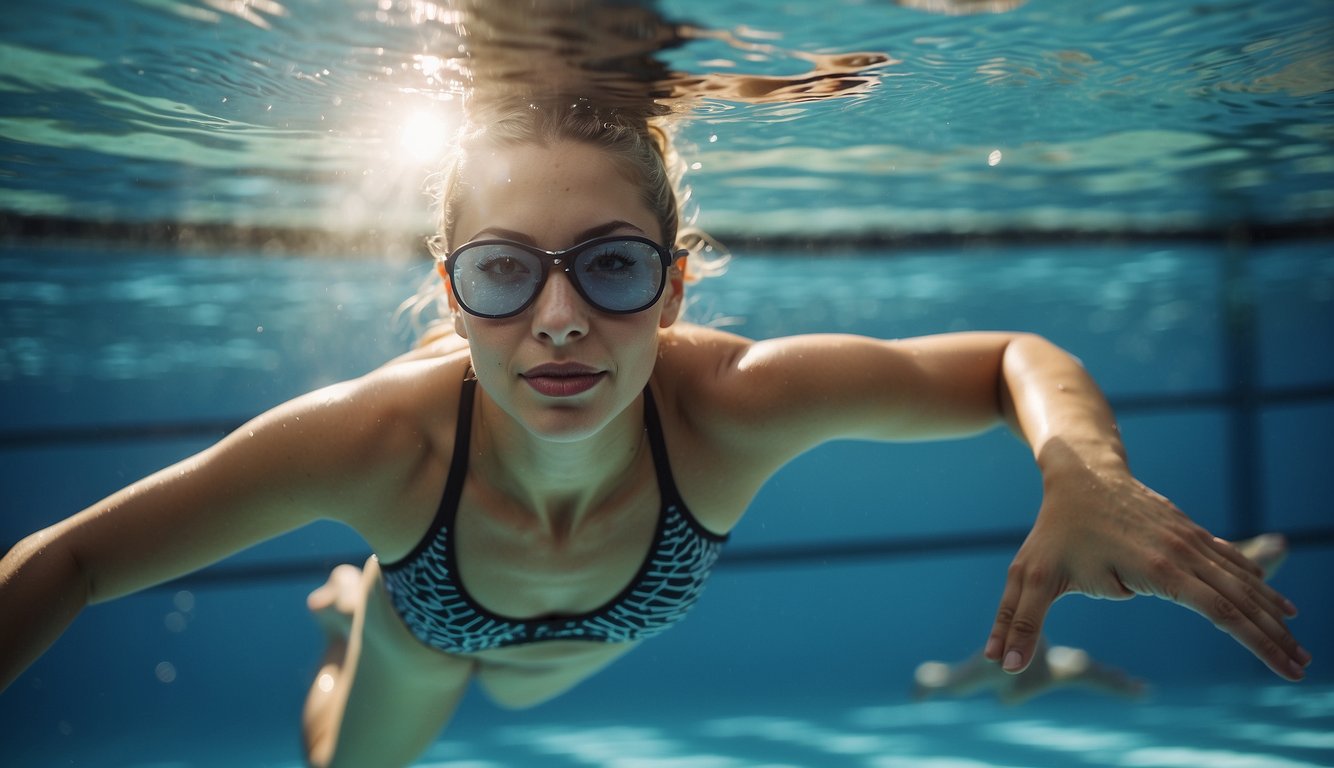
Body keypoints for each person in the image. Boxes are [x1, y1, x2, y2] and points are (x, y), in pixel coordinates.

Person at [0, 102, 1310, 768]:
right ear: (449, 295)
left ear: (674, 284)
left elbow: (1013, 358)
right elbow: (69, 563)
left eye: (613, 269)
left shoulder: (731, 402)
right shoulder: (377, 443)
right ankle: (356, 620)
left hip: (596, 629)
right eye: (506, 274)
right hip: (437, 607)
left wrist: (1085, 477)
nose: (560, 322)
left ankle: (357, 609)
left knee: (518, 686)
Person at [910, 533, 1291, 705]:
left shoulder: (1064, 663)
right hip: (1010, 672)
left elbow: (1103, 677)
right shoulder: (1033, 663)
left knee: (1061, 660)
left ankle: (1229, 563)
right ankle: (932, 677)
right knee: (958, 677)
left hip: (1025, 669)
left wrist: (1128, 689)